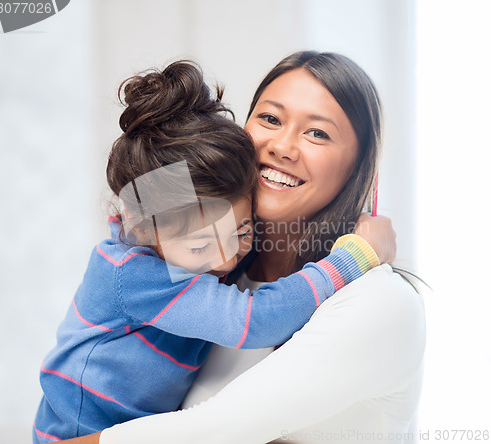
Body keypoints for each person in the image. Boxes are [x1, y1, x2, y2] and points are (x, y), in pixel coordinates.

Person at [33, 60, 394, 443]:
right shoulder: (137, 270)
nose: (223, 261)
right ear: (142, 230)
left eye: (318, 132)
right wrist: (352, 257)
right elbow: (255, 322)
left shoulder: (378, 303)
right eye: (271, 119)